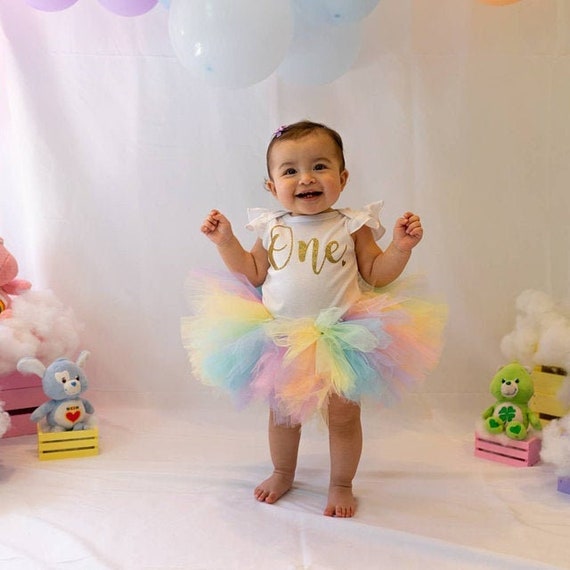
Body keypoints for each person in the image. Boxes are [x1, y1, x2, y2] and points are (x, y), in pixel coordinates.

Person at [182, 120, 445, 518]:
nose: (306, 178)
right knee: (284, 415)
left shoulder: (352, 225)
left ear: (343, 177)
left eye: (320, 166)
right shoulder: (272, 227)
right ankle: (282, 472)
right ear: (272, 186)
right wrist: (226, 242)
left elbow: (376, 274)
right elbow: (252, 272)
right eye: (290, 171)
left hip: (343, 338)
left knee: (344, 417)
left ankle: (341, 483)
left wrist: (400, 248)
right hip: (283, 339)